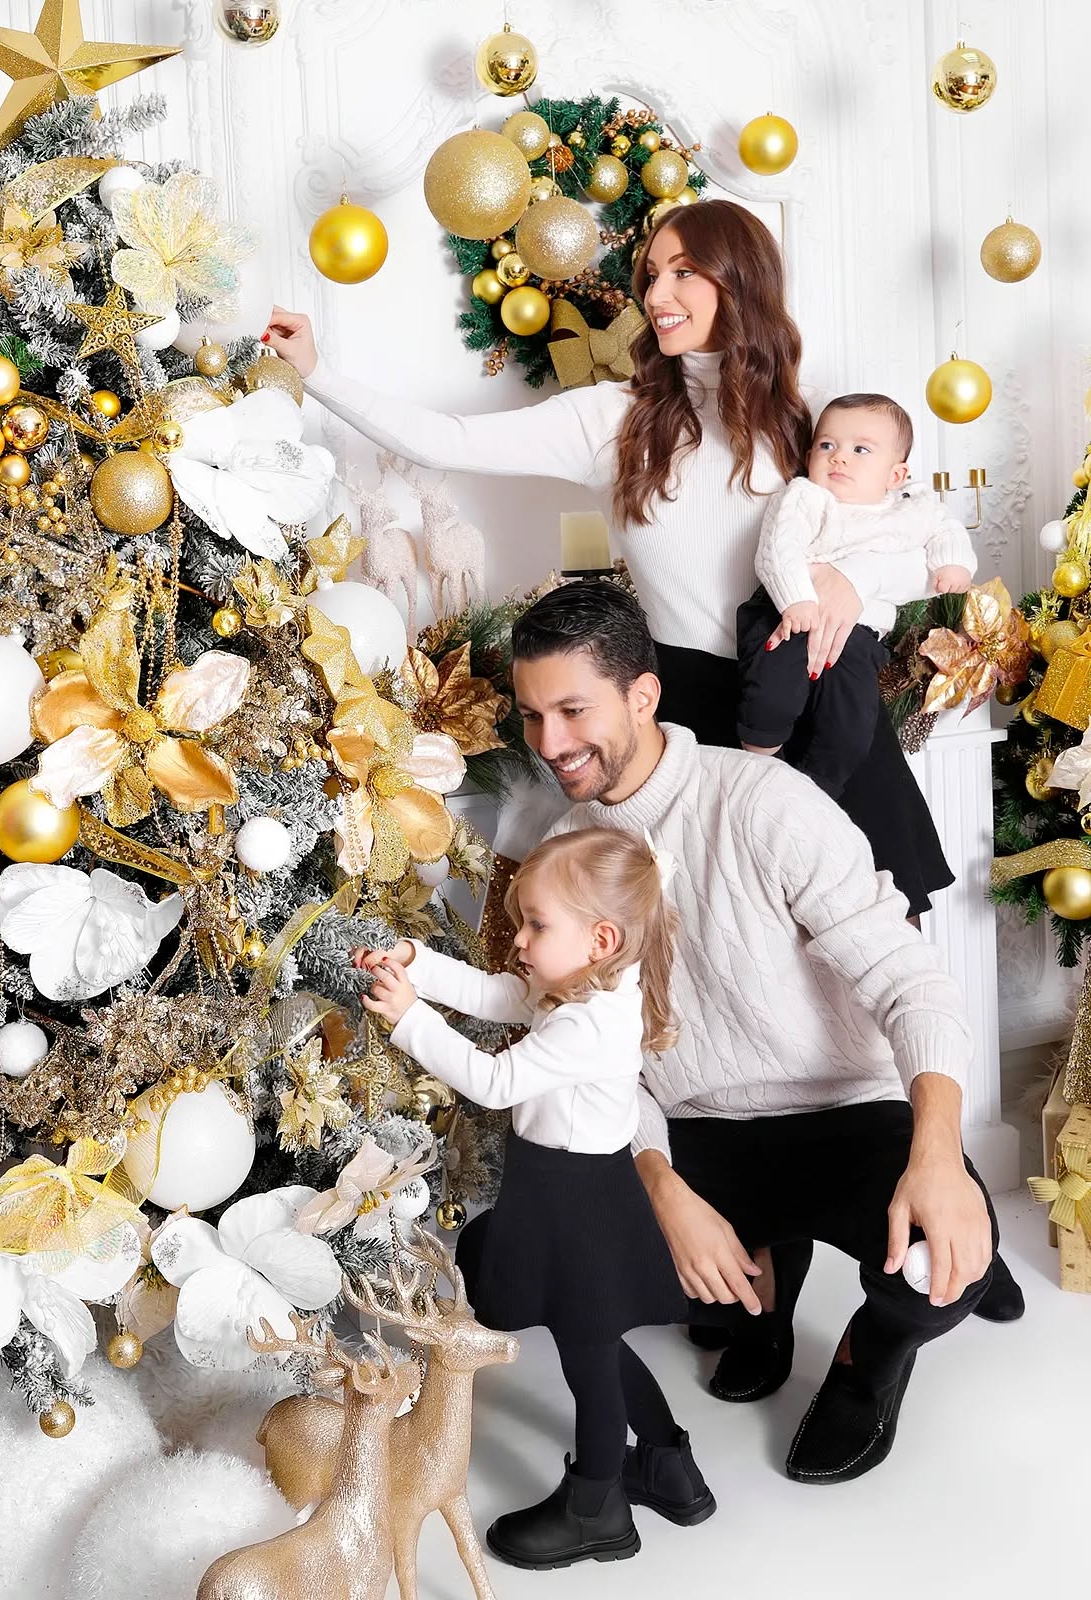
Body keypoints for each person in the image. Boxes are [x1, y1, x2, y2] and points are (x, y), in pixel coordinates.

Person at [264, 198, 952, 916]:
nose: (656, 295)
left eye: (683, 272)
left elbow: (911, 538)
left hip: (819, 698)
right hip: (695, 720)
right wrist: (317, 371)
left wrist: (854, 578)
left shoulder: (812, 420)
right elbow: (448, 441)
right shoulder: (612, 420)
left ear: (741, 280)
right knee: (726, 958)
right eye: (651, 274)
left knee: (869, 965)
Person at [500, 579, 1009, 1487]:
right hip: (703, 1131)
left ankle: (868, 1359)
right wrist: (661, 1186)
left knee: (943, 1271)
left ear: (643, 696)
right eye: (534, 716)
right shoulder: (564, 852)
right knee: (605, 1256)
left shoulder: (765, 804)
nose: (551, 744)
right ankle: (765, 1278)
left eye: (573, 710)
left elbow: (912, 983)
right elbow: (598, 1070)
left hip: (844, 1111)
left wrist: (938, 1153)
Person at [353, 827, 714, 1571]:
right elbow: (496, 993)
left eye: (537, 924)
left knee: (588, 1353)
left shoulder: (590, 1021)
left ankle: (598, 1508)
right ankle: (670, 1468)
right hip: (564, 1190)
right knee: (599, 1343)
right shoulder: (592, 981)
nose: (519, 939)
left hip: (578, 1203)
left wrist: (408, 1018)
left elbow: (492, 1083)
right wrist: (416, 965)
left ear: (599, 936)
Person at [737, 393, 976, 797]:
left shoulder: (910, 509)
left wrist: (952, 564)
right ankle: (758, 757)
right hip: (788, 615)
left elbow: (945, 529)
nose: (839, 457)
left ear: (896, 475)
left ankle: (817, 790)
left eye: (860, 449)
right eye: (827, 445)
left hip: (860, 636)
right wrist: (796, 599)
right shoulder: (805, 497)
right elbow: (778, 547)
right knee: (771, 696)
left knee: (851, 725)